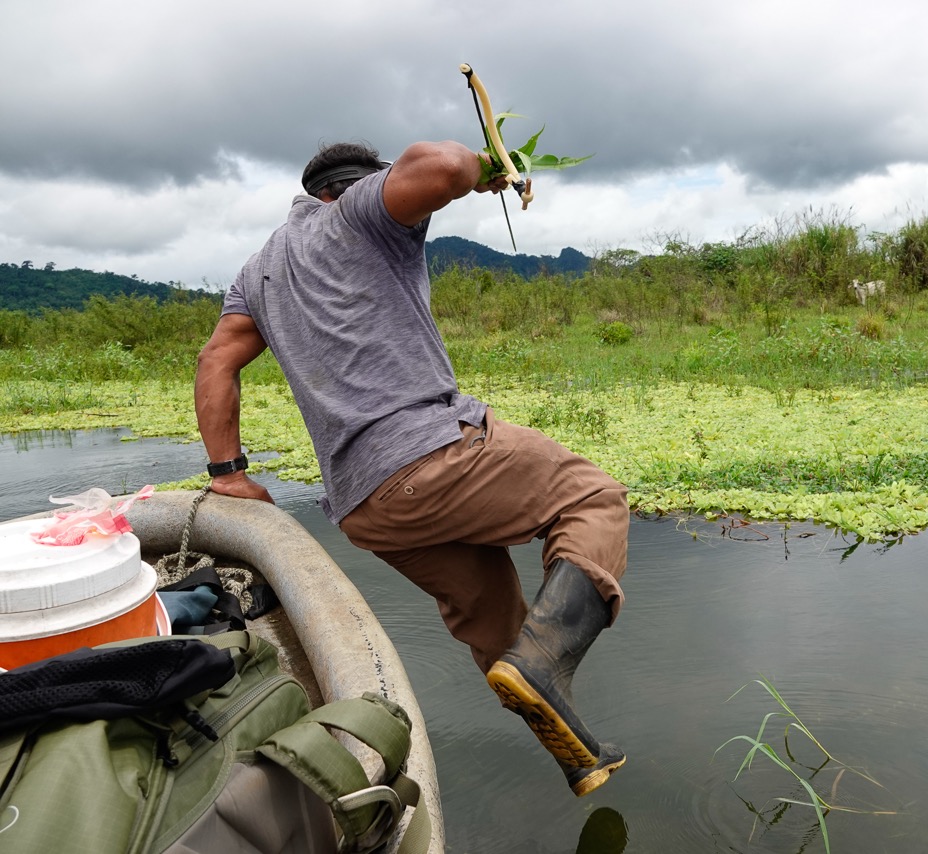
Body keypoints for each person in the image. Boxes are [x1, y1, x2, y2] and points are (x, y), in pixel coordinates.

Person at [194, 139, 630, 797]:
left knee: (498, 621)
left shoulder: (259, 271)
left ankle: (573, 746)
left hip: (368, 508)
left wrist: (227, 471)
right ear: (357, 186)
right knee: (593, 500)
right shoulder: (361, 212)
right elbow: (446, 167)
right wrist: (490, 167)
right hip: (432, 454)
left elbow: (215, 361)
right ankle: (546, 667)